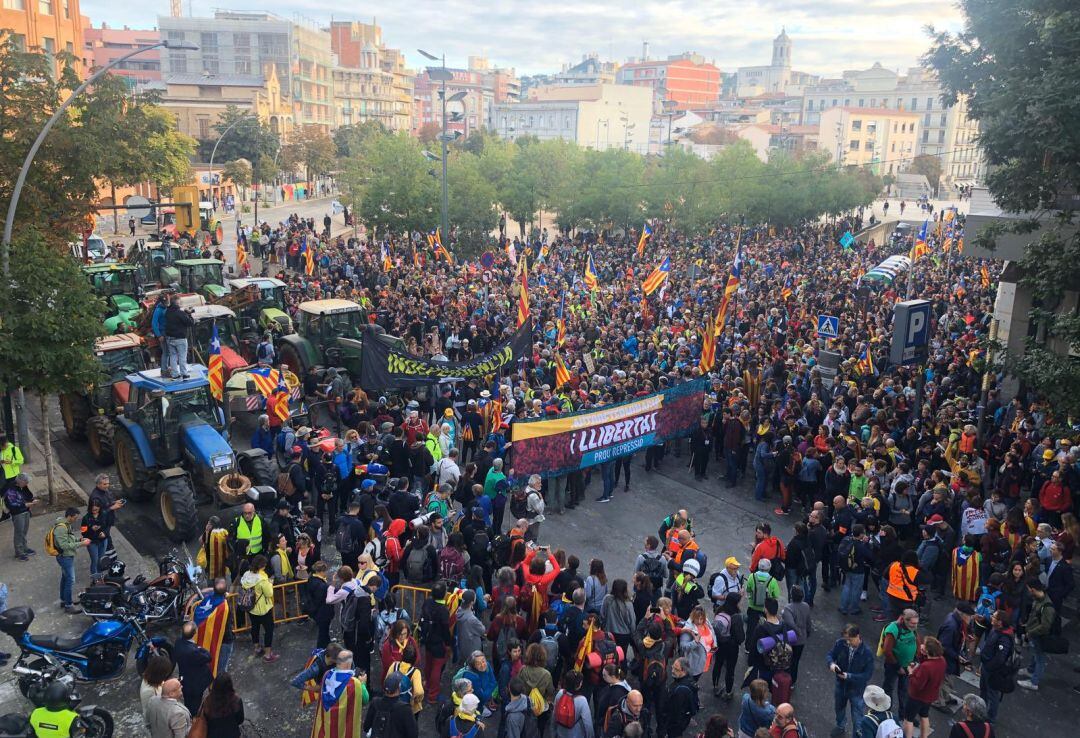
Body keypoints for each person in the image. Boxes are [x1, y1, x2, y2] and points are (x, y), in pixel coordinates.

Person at [826, 623, 874, 738]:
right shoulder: (840, 643)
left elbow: (867, 675)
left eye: (850, 640)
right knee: (839, 708)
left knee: (858, 715)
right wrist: (831, 664)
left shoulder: (867, 653)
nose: (848, 643)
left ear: (858, 636)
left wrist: (849, 676)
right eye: (846, 639)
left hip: (857, 690)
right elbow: (830, 655)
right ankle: (840, 726)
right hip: (840, 685)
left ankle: (857, 733)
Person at [880, 609, 920, 717]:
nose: (915, 626)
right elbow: (887, 651)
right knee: (888, 688)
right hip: (893, 666)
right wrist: (898, 667)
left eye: (916, 623)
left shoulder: (912, 628)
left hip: (908, 666)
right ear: (904, 620)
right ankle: (886, 713)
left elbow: (916, 641)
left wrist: (916, 660)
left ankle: (904, 714)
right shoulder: (893, 629)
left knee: (905, 691)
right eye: (913, 623)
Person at [1017, 578, 1055, 691]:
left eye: (1028, 589)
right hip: (1034, 634)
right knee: (1034, 654)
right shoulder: (1038, 599)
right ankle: (1030, 670)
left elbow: (1045, 626)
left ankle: (1034, 681)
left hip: (1039, 636)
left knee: (1040, 659)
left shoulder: (1047, 606)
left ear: (1032, 589)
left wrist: (1030, 632)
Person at [903, 637, 945, 738]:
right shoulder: (942, 661)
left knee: (908, 719)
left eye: (924, 645)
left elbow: (917, 684)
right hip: (929, 696)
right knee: (924, 715)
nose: (922, 645)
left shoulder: (926, 667)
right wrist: (923, 655)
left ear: (928, 651)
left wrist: (911, 672)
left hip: (916, 697)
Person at [978, 610, 1015, 723]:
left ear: (1000, 622)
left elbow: (1000, 659)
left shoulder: (1004, 638)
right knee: (983, 690)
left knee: (992, 695)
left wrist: (988, 666)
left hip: (992, 671)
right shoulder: (997, 629)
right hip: (986, 667)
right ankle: (980, 711)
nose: (991, 618)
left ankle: (990, 719)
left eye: (993, 617)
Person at [239, 554, 278, 662]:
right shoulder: (262, 579)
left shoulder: (246, 575)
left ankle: (256, 647)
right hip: (263, 609)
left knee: (255, 627)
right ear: (261, 566)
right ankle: (268, 654)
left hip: (250, 607)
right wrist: (270, 583)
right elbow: (269, 593)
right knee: (269, 630)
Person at [52, 507, 90, 613]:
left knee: (65, 578)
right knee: (70, 579)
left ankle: (64, 600)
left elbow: (68, 539)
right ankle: (68, 605)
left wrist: (79, 540)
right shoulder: (61, 528)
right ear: (69, 516)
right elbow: (63, 545)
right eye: (75, 517)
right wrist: (81, 544)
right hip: (64, 557)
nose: (76, 520)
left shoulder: (66, 524)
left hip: (66, 556)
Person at [421, 581, 454, 703]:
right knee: (437, 667)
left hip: (427, 639)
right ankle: (433, 694)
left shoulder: (427, 602)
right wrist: (449, 643)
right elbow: (445, 630)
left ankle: (427, 685)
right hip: (439, 642)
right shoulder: (443, 610)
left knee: (429, 664)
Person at [172, 621, 212, 715]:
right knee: (195, 706)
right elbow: (208, 657)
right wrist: (198, 647)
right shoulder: (194, 651)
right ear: (194, 633)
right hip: (195, 684)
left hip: (185, 680)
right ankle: (193, 720)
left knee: (188, 702)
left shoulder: (178, 642)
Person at [363, 672, 419, 738]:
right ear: (399, 688)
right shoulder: (405, 709)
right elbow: (413, 734)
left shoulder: (375, 702)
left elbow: (366, 727)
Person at [663, 656, 699, 738]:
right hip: (683, 719)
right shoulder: (689, 680)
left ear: (684, 671)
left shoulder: (680, 691)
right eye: (672, 667)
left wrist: (667, 724)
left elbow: (675, 712)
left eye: (676, 669)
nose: (672, 671)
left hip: (676, 724)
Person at [3, 472, 36, 561]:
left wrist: (32, 500)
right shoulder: (11, 489)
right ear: (20, 481)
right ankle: (19, 553)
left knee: (24, 531)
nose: (27, 484)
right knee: (19, 533)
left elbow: (28, 496)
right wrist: (26, 505)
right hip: (18, 514)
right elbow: (12, 504)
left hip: (25, 511)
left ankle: (24, 548)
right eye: (26, 482)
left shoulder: (22, 486)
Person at [201, 672, 245, 738]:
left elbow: (205, 720)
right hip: (232, 734)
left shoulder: (208, 701)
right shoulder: (236, 700)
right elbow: (240, 719)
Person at [552, 668, 592, 738]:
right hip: (575, 734)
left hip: (560, 732)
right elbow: (588, 724)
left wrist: (553, 731)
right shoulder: (582, 700)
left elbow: (554, 713)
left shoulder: (560, 693)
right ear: (578, 685)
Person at [163, 293, 195, 378]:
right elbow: (190, 323)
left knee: (173, 356)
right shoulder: (180, 313)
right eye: (180, 302)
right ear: (177, 303)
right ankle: (184, 373)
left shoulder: (167, 312)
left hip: (169, 338)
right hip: (180, 338)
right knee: (182, 356)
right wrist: (189, 314)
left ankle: (174, 374)